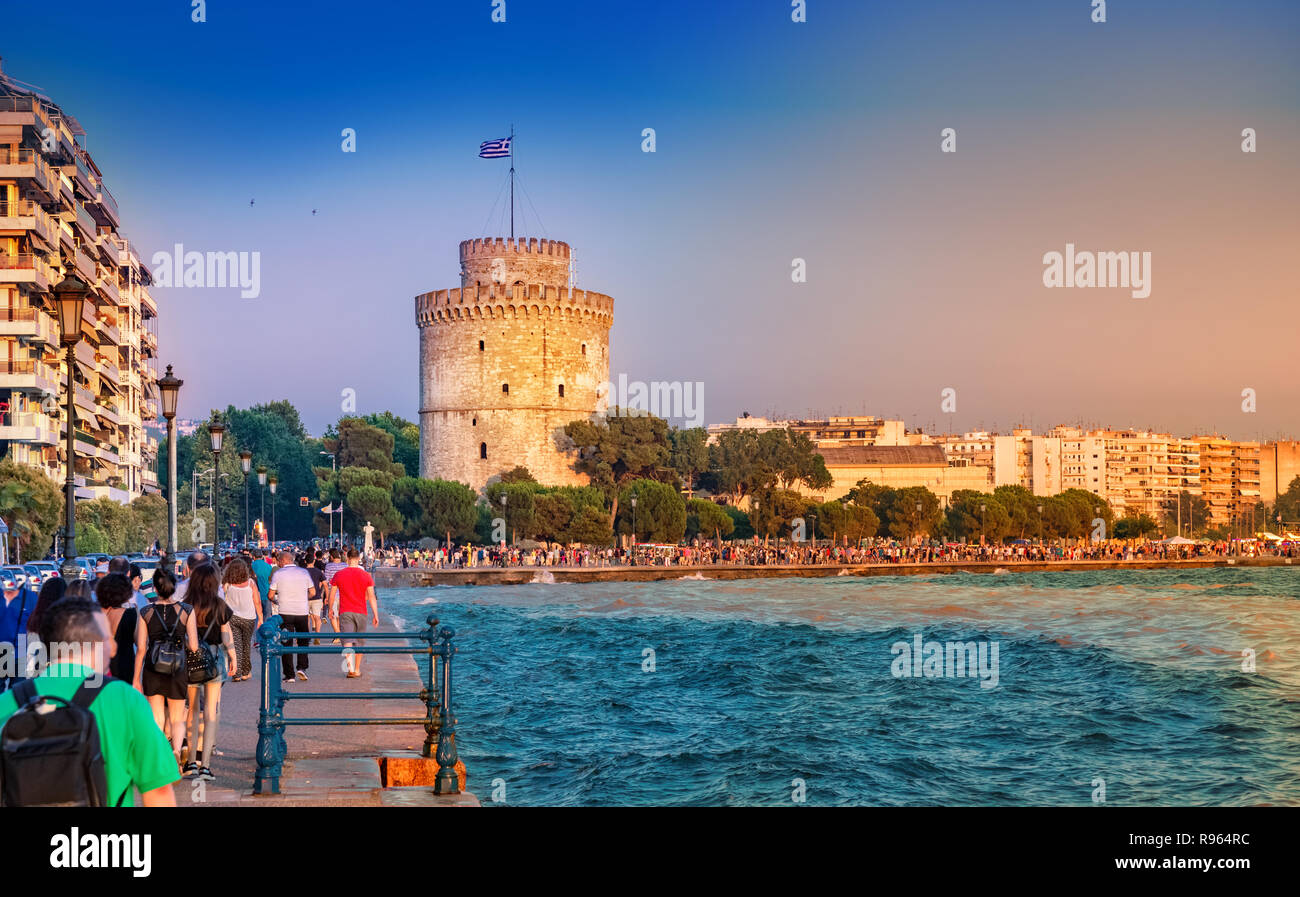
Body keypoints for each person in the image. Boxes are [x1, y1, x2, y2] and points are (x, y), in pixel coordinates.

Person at [0, 596, 179, 806]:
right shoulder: (125, 699)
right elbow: (158, 793)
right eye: (108, 638)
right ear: (93, 644)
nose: (113, 648)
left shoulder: (8, 702)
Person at [133, 567, 198, 768]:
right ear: (174, 587)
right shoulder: (187, 610)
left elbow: (141, 648)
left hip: (153, 668)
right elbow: (194, 647)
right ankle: (177, 751)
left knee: (157, 717)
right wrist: (180, 639)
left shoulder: (146, 612)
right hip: (177, 668)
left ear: (154, 588)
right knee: (177, 718)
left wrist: (136, 678)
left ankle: (159, 755)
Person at [183, 564, 235, 781]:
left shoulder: (186, 606)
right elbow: (225, 635)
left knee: (193, 711)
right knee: (211, 712)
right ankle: (205, 765)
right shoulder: (220, 605)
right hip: (214, 660)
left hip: (191, 662)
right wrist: (233, 656)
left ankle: (190, 763)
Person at [328, 548, 380, 678]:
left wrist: (330, 609)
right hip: (361, 611)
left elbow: (332, 594)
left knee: (347, 640)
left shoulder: (339, 574)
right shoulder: (366, 576)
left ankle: (350, 668)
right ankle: (357, 669)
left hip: (345, 611)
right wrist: (376, 614)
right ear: (358, 559)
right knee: (359, 642)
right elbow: (371, 596)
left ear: (347, 558)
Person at [267, 550, 314, 683]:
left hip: (285, 612)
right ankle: (302, 667)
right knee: (303, 640)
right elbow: (313, 591)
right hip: (302, 611)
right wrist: (304, 599)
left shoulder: (278, 574)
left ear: (283, 561)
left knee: (286, 642)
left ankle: (289, 674)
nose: (278, 563)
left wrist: (276, 601)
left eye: (278, 561)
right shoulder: (304, 572)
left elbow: (270, 595)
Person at [220, 557, 262, 681]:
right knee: (246, 645)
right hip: (249, 618)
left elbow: (221, 600)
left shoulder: (227, 584)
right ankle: (245, 672)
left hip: (232, 618)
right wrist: (260, 618)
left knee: (236, 644)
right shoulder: (251, 583)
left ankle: (236, 673)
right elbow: (257, 602)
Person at [96, 573, 138, 683]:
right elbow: (140, 642)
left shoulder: (93, 613)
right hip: (124, 665)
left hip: (99, 666)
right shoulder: (131, 614)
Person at [251, 549, 274, 622]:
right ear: (261, 556)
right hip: (266, 593)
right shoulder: (269, 566)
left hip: (254, 595)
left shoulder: (251, 566)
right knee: (266, 616)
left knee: (255, 617)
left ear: (253, 557)